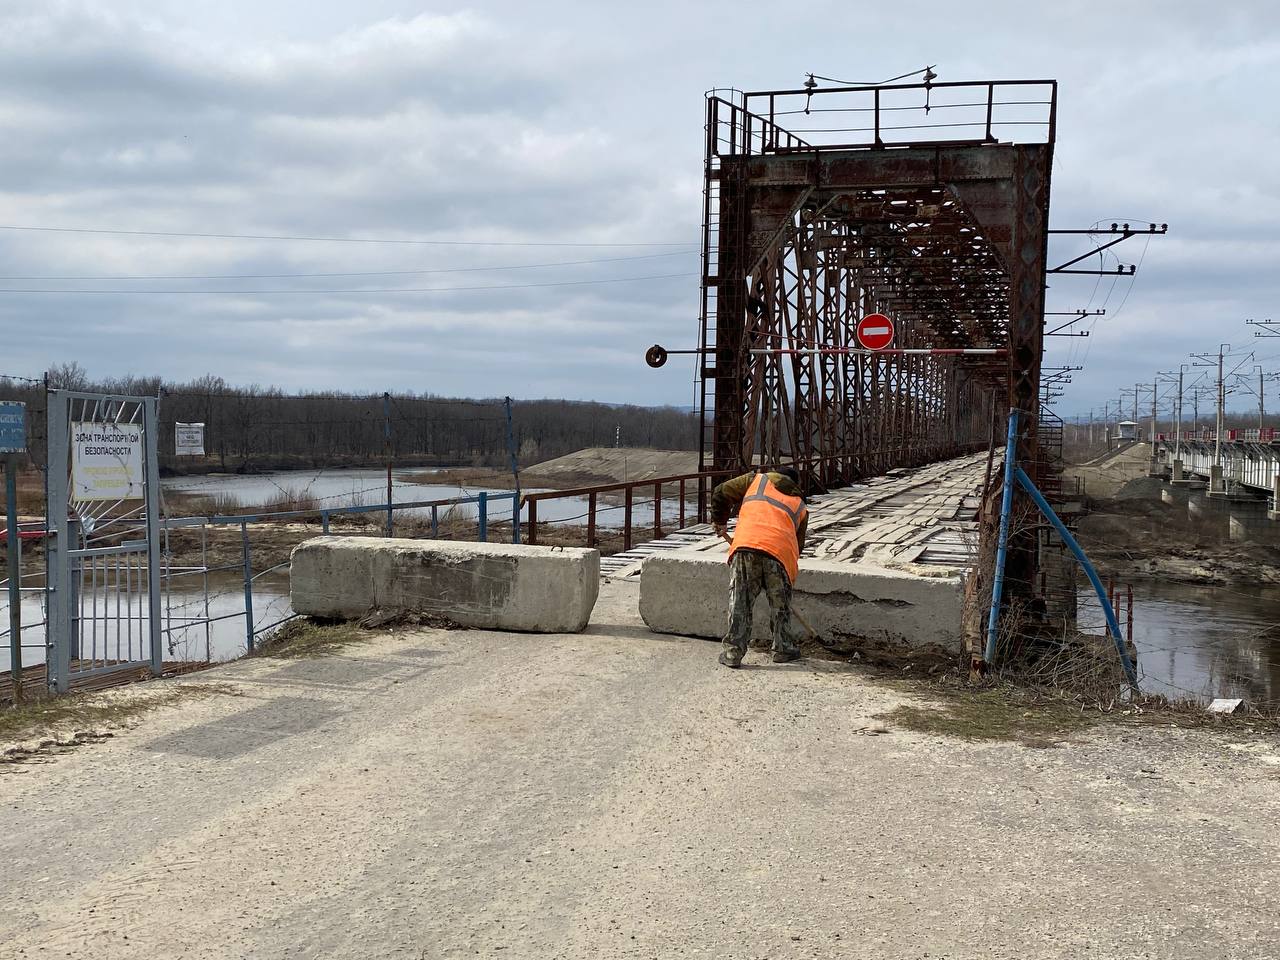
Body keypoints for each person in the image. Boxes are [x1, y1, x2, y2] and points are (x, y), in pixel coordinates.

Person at [710, 465, 809, 669]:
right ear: (795, 484)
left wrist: (720, 520)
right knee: (780, 606)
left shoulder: (756, 480)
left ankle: (732, 653)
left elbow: (720, 492)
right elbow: (798, 545)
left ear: (775, 473)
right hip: (781, 554)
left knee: (740, 601)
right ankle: (783, 648)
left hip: (747, 545)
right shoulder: (800, 506)